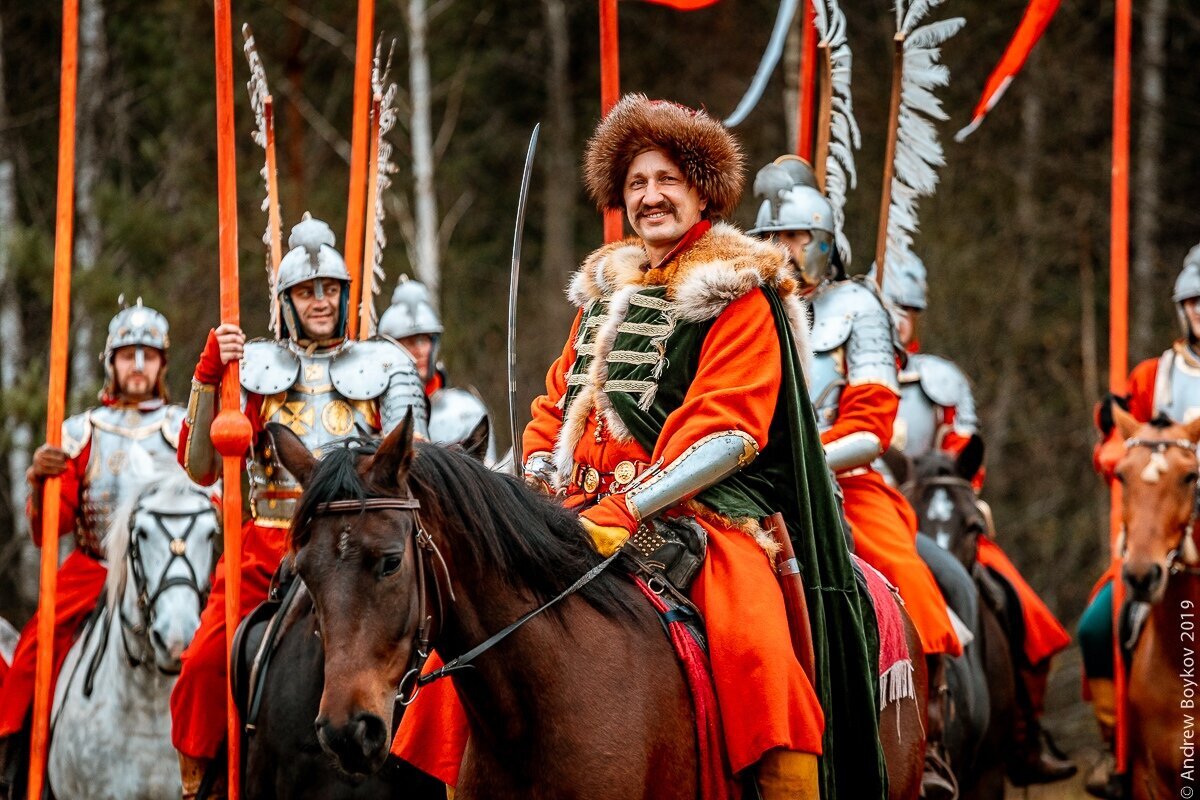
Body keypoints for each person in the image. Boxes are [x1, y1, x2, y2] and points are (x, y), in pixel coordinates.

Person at [392, 94, 886, 799]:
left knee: (756, 645)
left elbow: (728, 428)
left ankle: (787, 785)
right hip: (578, 509)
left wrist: (630, 507)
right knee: (475, 627)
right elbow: (555, 403)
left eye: (666, 182)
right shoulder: (604, 297)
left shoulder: (743, 296)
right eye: (636, 185)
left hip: (701, 512)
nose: (650, 198)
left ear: (701, 191)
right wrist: (536, 478)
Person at [169, 214, 428, 798]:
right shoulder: (256, 369)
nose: (320, 301)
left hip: (361, 546)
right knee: (206, 662)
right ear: (286, 299)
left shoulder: (386, 364)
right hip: (268, 544)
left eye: (329, 290)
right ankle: (205, 782)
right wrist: (210, 377)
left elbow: (416, 463)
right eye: (307, 292)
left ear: (344, 296)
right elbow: (202, 468)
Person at [748, 161, 963, 797]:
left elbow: (871, 426)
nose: (786, 251)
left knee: (915, 585)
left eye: (798, 238)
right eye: (774, 239)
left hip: (847, 482)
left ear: (826, 244)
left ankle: (930, 746)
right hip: (751, 483)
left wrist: (800, 459)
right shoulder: (750, 309)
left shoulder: (858, 308)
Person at [881, 251, 1075, 785]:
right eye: (890, 306)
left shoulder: (941, 380)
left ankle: (1024, 735)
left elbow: (968, 451)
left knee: (1021, 608)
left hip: (937, 515)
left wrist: (941, 469)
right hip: (870, 511)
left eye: (908, 309)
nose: (898, 318)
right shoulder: (841, 367)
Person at [0, 302, 184, 794]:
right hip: (95, 571)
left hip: (172, 575)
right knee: (31, 658)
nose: (138, 366)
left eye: (148, 355)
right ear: (112, 363)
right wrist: (41, 479)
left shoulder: (182, 428)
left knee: (222, 650)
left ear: (163, 364)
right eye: (128, 355)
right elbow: (49, 531)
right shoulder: (82, 433)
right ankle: (13, 762)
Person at [1081, 243, 1200, 797]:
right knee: (1098, 625)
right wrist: (1134, 461)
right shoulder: (1155, 373)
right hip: (1162, 528)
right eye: (1194, 302)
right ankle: (1117, 749)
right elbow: (1113, 444)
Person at [380, 278, 495, 459]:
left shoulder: (464, 409)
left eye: (423, 340)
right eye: (408, 342)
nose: (418, 350)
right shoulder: (374, 413)